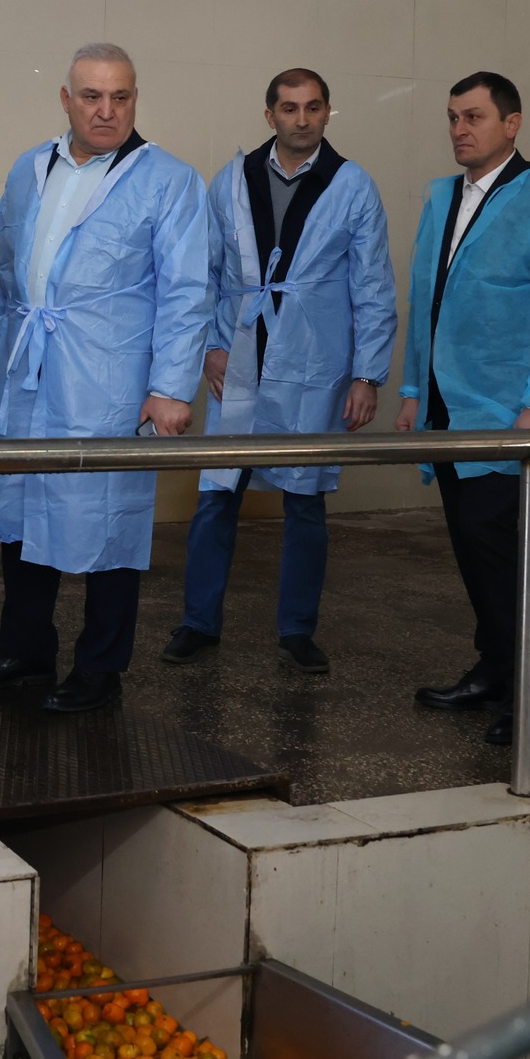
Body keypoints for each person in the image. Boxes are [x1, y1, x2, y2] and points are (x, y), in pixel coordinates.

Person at [0, 43, 209, 715]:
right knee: (21, 510)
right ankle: (25, 652)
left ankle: (100, 667)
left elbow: (187, 292)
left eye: (120, 97)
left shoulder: (169, 181)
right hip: (27, 368)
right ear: (66, 100)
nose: (106, 110)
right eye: (91, 96)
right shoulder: (30, 169)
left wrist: (170, 388)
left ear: (135, 100)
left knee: (109, 519)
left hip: (109, 376)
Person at [162, 69, 397, 674]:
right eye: (289, 108)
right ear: (270, 115)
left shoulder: (352, 185)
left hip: (314, 364)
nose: (301, 119)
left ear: (327, 113)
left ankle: (296, 629)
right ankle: (198, 622)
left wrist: (367, 375)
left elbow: (373, 284)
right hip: (239, 359)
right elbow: (205, 273)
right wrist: (209, 349)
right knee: (217, 494)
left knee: (305, 499)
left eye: (313, 107)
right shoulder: (232, 180)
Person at [399, 71, 530, 746]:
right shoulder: (441, 197)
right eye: (453, 116)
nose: (460, 129)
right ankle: (494, 668)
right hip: (446, 404)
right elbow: (425, 297)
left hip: (506, 410)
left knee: (496, 545)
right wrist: (413, 391)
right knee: (470, 543)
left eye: (474, 116)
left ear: (512, 124)